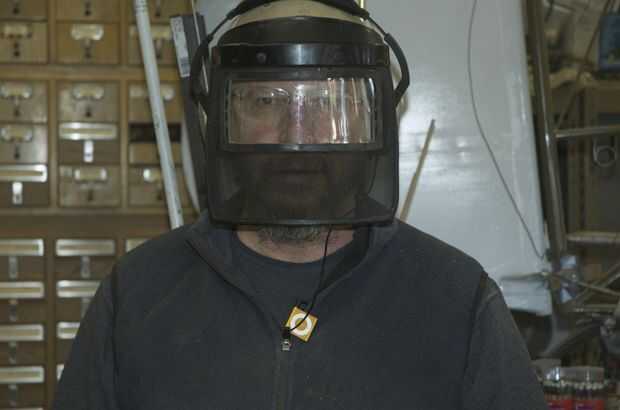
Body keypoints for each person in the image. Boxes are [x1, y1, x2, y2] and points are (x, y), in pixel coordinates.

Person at [53, 0, 548, 409]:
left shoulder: (457, 302)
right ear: (220, 118)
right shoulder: (136, 295)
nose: (296, 134)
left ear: (374, 119)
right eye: (266, 101)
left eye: (327, 103)